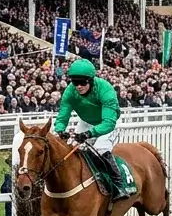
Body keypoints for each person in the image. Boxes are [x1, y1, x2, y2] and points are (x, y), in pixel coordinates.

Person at [52, 58, 127, 200]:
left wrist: (89, 134)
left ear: (91, 80)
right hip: (86, 122)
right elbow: (63, 115)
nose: (78, 86)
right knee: (72, 147)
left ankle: (119, 185)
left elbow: (109, 122)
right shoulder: (70, 91)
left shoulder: (105, 89)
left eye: (82, 82)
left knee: (100, 148)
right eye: (75, 82)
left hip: (109, 124)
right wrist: (60, 130)